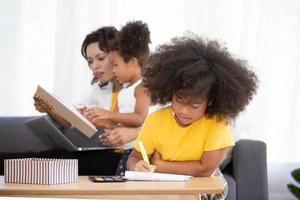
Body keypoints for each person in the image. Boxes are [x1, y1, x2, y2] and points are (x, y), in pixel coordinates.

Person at [126, 35, 258, 199]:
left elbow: (204, 170)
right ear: (170, 93)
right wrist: (137, 166)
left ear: (209, 101)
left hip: (203, 189)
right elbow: (134, 158)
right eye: (179, 100)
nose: (184, 111)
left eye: (194, 105)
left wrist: (160, 165)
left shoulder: (217, 124)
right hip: (164, 187)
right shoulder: (156, 120)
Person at [84, 21, 152, 175]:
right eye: (90, 61)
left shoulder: (143, 87)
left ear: (132, 62)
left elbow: (140, 118)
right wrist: (97, 120)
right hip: (125, 152)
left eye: (115, 65)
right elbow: (115, 123)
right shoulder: (124, 91)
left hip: (138, 152)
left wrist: (108, 114)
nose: (114, 71)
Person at [33, 26, 122, 129]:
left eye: (100, 58)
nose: (94, 66)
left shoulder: (138, 90)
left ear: (118, 55)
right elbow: (72, 122)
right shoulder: (98, 91)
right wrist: (49, 109)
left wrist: (95, 120)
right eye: (90, 61)